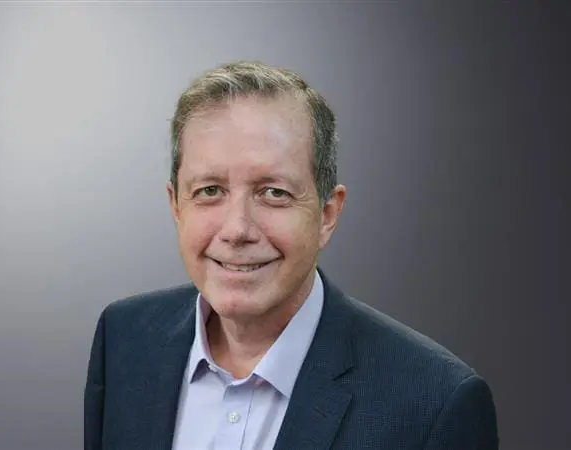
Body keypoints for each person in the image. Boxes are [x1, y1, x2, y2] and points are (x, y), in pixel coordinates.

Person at [84, 61, 499, 449]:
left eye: (274, 193)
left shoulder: (435, 406)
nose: (237, 230)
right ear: (176, 206)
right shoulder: (123, 340)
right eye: (209, 190)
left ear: (327, 214)